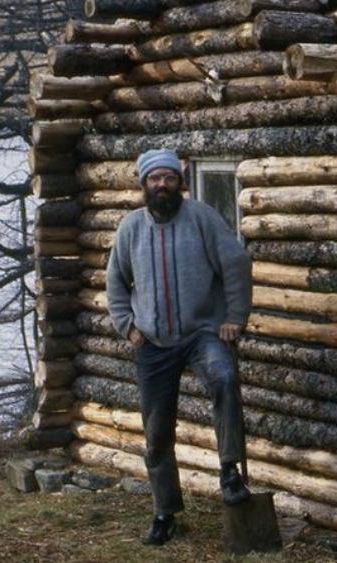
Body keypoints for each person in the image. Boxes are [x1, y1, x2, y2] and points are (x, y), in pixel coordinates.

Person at [104, 148, 253, 546]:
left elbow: (236, 264)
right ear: (144, 184)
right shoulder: (131, 229)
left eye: (169, 178)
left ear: (179, 182)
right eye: (155, 179)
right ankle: (164, 511)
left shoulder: (203, 218)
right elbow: (116, 282)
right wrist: (127, 327)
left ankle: (229, 471)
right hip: (152, 341)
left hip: (202, 332)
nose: (162, 185)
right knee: (156, 431)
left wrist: (234, 318)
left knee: (223, 378)